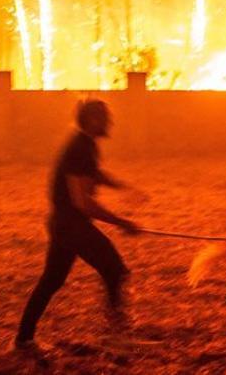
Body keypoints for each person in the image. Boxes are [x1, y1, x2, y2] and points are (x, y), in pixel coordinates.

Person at [15, 98, 144, 350]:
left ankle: (23, 339)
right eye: (106, 117)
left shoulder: (85, 143)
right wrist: (121, 222)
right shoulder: (80, 148)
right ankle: (116, 336)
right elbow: (82, 202)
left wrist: (121, 187)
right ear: (93, 120)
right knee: (115, 270)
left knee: (52, 280)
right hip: (71, 225)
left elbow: (93, 174)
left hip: (64, 223)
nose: (111, 122)